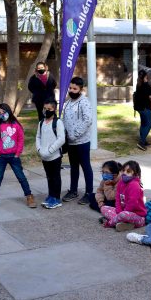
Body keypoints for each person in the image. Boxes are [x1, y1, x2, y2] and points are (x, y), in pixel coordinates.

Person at [0, 103, 37, 212]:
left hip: (14, 157)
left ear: (8, 111)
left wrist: (17, 153)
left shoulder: (16, 125)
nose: (2, 115)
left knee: (21, 177)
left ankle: (29, 196)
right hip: (1, 157)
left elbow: (20, 140)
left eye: (3, 112)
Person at [61, 77, 94, 205]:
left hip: (82, 142)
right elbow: (64, 119)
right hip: (70, 142)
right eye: (70, 88)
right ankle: (73, 190)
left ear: (81, 89)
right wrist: (64, 135)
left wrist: (75, 134)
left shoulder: (84, 102)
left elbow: (87, 120)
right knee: (74, 167)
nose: (72, 90)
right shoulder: (68, 103)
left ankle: (89, 193)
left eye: (75, 88)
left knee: (86, 166)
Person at [99, 160, 147, 232]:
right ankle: (123, 223)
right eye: (123, 170)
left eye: (128, 171)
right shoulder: (121, 182)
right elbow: (118, 198)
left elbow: (132, 204)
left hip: (138, 217)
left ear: (135, 174)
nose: (124, 173)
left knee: (123, 215)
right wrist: (118, 211)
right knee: (103, 208)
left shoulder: (135, 185)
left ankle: (112, 222)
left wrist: (113, 220)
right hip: (123, 213)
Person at [36, 98, 65, 209]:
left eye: (49, 109)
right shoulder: (41, 123)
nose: (46, 111)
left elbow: (61, 139)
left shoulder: (58, 123)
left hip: (55, 156)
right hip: (44, 156)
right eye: (45, 108)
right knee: (49, 177)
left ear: (54, 109)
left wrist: (50, 150)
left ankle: (56, 198)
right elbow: (38, 136)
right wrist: (39, 149)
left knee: (55, 177)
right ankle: (51, 195)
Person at [133, 70, 151, 150]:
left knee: (144, 124)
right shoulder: (144, 85)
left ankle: (144, 141)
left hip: (139, 108)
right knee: (149, 124)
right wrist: (146, 82)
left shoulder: (138, 84)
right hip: (144, 108)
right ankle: (141, 142)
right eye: (146, 77)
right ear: (145, 77)